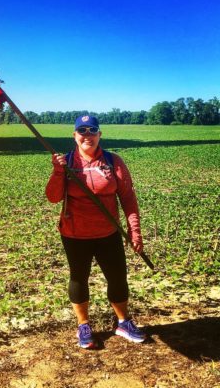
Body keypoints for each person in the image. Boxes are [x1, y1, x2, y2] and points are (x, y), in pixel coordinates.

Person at [45, 115, 146, 349]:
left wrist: (135, 231)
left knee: (118, 277)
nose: (87, 135)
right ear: (74, 136)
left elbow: (128, 198)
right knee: (79, 278)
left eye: (92, 130)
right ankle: (83, 326)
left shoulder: (113, 161)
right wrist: (58, 172)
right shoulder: (66, 162)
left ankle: (123, 322)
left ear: (100, 134)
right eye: (82, 131)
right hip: (74, 234)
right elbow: (53, 197)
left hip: (108, 233)